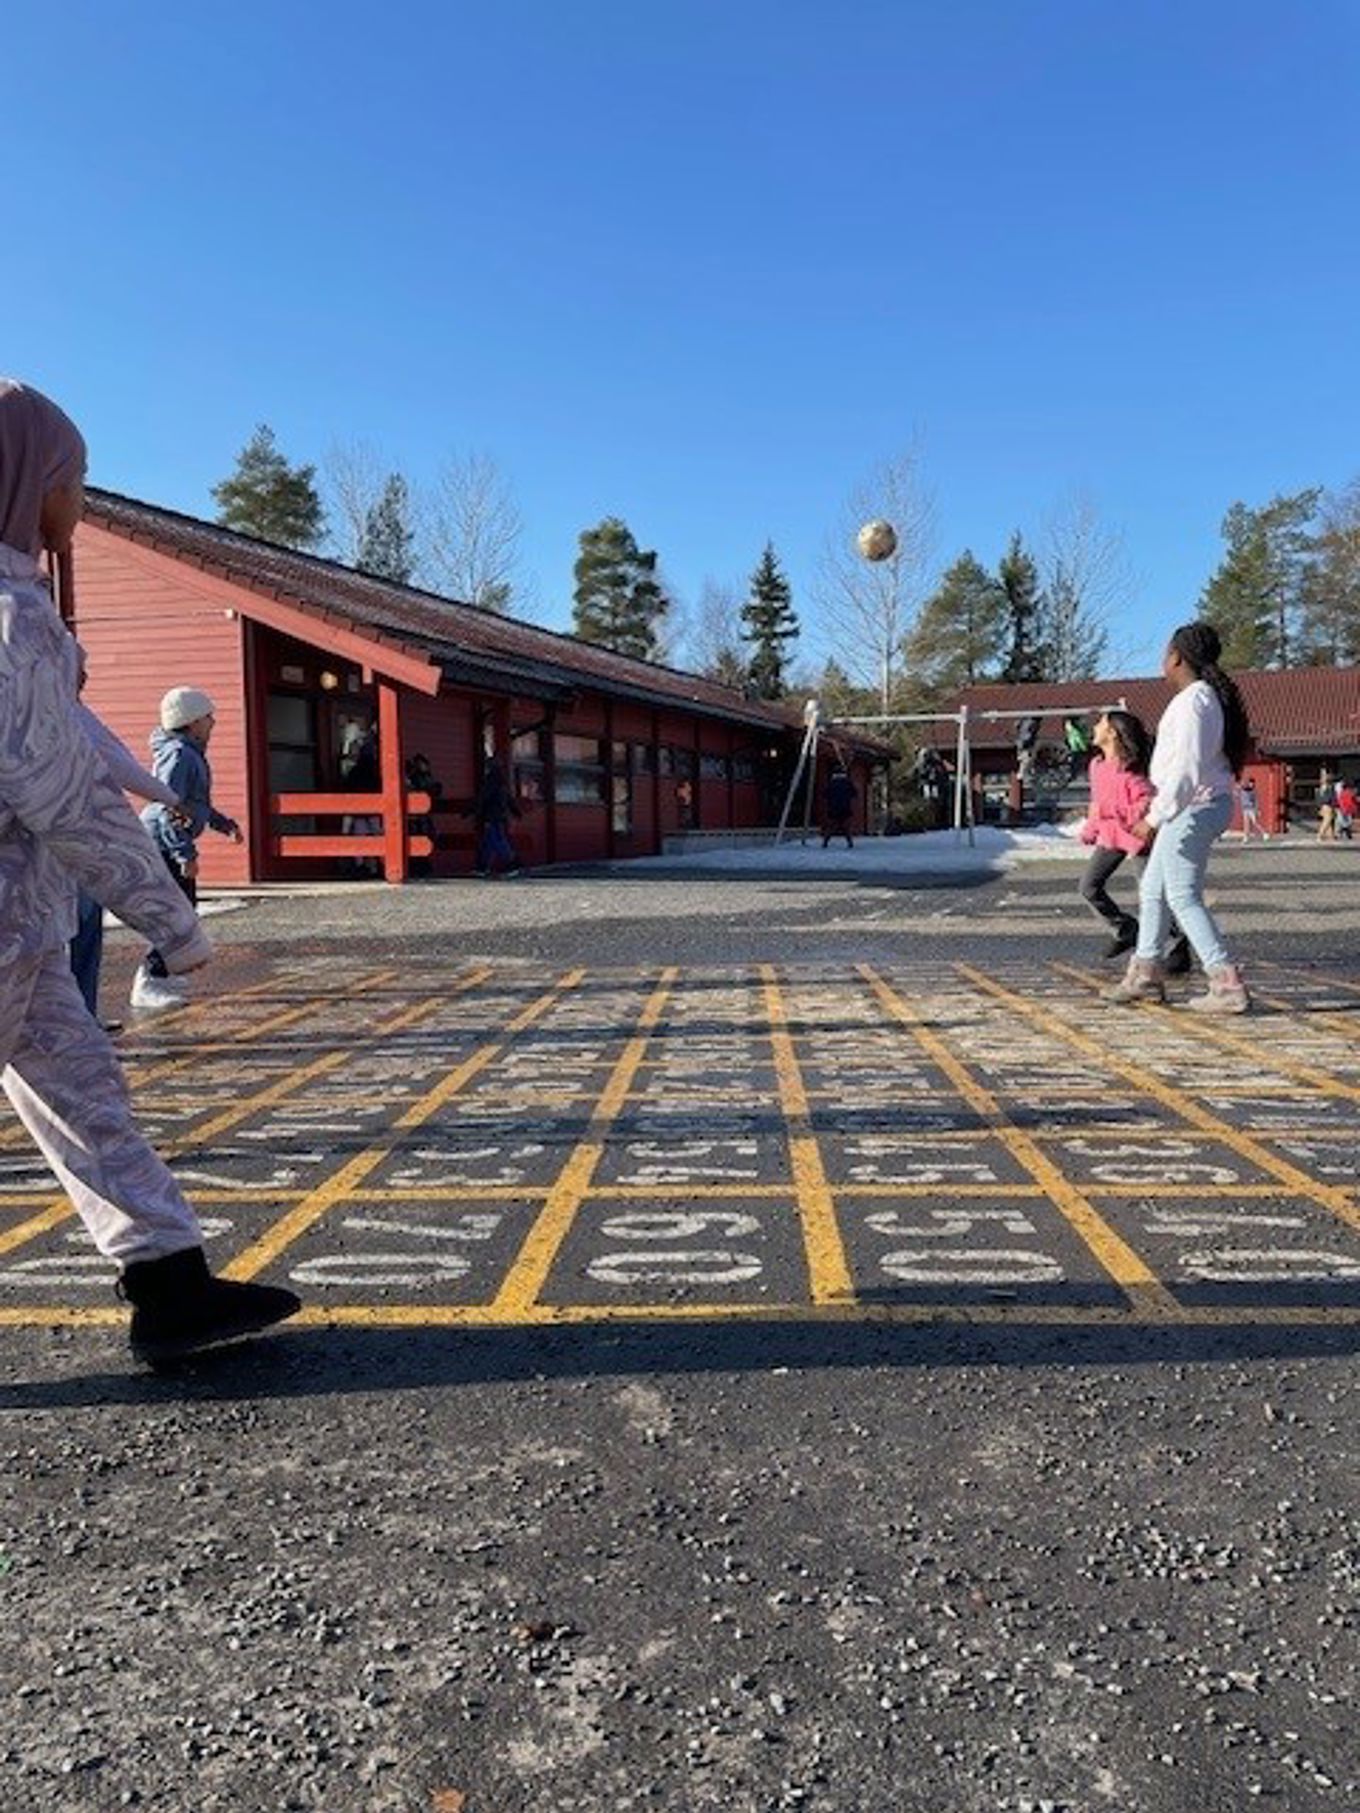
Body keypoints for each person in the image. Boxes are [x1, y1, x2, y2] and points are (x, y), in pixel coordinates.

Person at [0, 376, 299, 1361]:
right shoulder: (11, 621)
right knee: (85, 1096)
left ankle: (170, 1285)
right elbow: (64, 794)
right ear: (25, 478)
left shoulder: (22, 610)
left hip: (25, 933)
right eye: (71, 477)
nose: (80, 499)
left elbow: (82, 751)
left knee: (90, 1096)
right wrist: (170, 919)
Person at [1105, 621, 1251, 1013]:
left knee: (1182, 894)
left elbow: (1186, 769)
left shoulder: (1194, 702)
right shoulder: (1198, 698)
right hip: (1193, 804)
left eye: (1165, 651)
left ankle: (1225, 981)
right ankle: (1146, 972)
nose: (1162, 658)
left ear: (1176, 657)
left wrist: (1154, 817)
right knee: (1153, 887)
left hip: (1194, 805)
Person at [71, 685, 184, 1020]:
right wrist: (172, 799)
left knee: (83, 931)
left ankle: (82, 1017)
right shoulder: (60, 713)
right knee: (65, 937)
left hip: (79, 843)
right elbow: (117, 762)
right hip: (63, 845)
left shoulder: (71, 712)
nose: (85, 673)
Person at [131, 688, 243, 1011]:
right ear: (192, 722)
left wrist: (225, 825)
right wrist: (184, 854)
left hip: (170, 841)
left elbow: (196, 806)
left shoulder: (189, 753)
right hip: (162, 843)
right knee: (175, 913)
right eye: (208, 716)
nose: (213, 722)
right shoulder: (179, 755)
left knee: (184, 910)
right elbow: (169, 806)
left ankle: (163, 974)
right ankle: (149, 979)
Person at [1077, 709, 1190, 972]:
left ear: (1112, 733)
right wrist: (1091, 828)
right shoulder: (1096, 766)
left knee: (1150, 895)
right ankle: (1126, 929)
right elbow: (1097, 803)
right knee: (1088, 887)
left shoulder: (1132, 772)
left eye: (1100, 723)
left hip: (1140, 838)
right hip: (1111, 837)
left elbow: (1146, 804)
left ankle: (1176, 945)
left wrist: (1110, 812)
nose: (1095, 727)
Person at [473, 755, 523, 877]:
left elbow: (483, 798)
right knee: (488, 842)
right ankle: (482, 867)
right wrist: (516, 811)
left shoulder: (490, 781)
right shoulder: (502, 781)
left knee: (496, 841)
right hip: (500, 816)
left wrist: (473, 810)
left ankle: (511, 864)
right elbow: (509, 799)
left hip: (491, 816)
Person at [822, 761, 856, 849]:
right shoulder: (847, 782)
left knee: (831, 826)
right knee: (846, 827)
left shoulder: (831, 783)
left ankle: (825, 843)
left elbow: (824, 794)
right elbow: (854, 793)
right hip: (845, 807)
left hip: (833, 807)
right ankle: (850, 843)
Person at [1237, 776, 1267, 841]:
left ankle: (1264, 833)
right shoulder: (1244, 789)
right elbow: (1239, 788)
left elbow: (1255, 801)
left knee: (1255, 822)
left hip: (1251, 808)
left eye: (1253, 783)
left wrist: (1257, 809)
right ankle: (1246, 837)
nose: (1251, 784)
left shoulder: (1253, 791)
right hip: (1244, 809)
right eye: (1250, 783)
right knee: (1246, 824)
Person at [1316, 772, 1337, 842]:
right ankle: (1320, 835)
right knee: (1326, 821)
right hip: (1328, 806)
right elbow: (1331, 797)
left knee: (1329, 821)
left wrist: (1319, 807)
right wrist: (1334, 805)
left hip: (1323, 806)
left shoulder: (1319, 789)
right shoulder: (1329, 788)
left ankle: (1331, 836)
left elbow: (1318, 799)